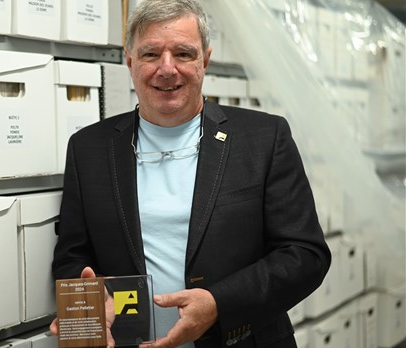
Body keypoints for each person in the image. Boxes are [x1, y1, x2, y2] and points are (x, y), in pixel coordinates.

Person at [51, 0, 331, 347]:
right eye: (151, 54)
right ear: (130, 62)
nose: (166, 69)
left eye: (183, 54)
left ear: (205, 61)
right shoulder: (88, 148)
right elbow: (71, 255)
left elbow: (305, 255)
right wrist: (89, 304)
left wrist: (218, 304)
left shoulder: (263, 138)